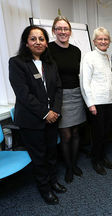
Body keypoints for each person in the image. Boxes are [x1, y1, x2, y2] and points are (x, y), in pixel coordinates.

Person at [9, 25, 66, 205]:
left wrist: (55, 111)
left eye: (41, 39)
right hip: (31, 121)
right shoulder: (17, 63)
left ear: (46, 43)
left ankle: (53, 181)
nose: (38, 42)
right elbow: (23, 94)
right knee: (39, 157)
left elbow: (58, 89)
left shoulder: (50, 64)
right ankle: (45, 189)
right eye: (33, 39)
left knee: (51, 153)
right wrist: (45, 113)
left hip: (52, 118)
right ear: (26, 43)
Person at [48, 16, 86, 184]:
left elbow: (78, 73)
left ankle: (74, 164)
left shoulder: (76, 51)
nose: (63, 32)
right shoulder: (48, 49)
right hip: (60, 96)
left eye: (66, 29)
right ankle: (69, 167)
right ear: (54, 31)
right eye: (59, 28)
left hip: (76, 94)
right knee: (66, 134)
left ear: (70, 31)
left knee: (77, 132)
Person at [80, 27, 112, 175]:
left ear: (109, 41)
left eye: (105, 39)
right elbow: (84, 83)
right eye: (100, 39)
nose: (103, 41)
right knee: (97, 134)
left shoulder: (107, 56)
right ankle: (96, 161)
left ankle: (103, 157)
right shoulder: (89, 57)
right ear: (94, 41)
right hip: (96, 104)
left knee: (106, 133)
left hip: (109, 101)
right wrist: (90, 104)